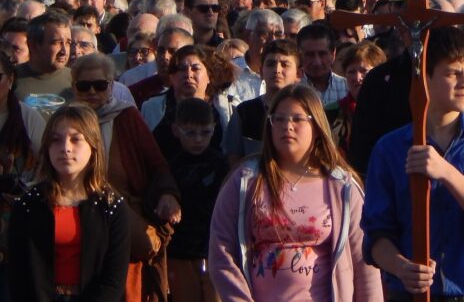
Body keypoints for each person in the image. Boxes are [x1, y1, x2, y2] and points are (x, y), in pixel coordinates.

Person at [363, 26, 464, 300]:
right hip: (412, 293)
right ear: (425, 79)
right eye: (452, 73)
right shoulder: (390, 148)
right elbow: (376, 234)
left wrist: (446, 172)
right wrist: (402, 267)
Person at [209, 85, 381, 301]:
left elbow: (364, 262)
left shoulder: (342, 186)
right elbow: (221, 251)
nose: (287, 126)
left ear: (317, 126)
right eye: (278, 119)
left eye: (297, 119)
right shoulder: (245, 180)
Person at [68, 53, 181, 302]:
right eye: (84, 85)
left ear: (111, 86)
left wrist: (167, 195)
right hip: (78, 225)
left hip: (122, 221)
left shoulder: (127, 117)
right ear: (74, 87)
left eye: (100, 85)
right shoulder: (65, 122)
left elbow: (156, 163)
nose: (92, 92)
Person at [9, 104, 130, 302]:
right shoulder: (27, 205)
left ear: (93, 146)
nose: (65, 148)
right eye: (56, 140)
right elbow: (19, 278)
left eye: (76, 139)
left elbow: (113, 282)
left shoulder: (112, 207)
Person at [165, 98, 228, 302]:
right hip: (181, 251)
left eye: (205, 132)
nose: (198, 139)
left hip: (215, 251)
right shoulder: (170, 166)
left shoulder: (221, 165)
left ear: (214, 129)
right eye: (190, 133)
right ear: (176, 130)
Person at [0, 53, 46, 301]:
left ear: (10, 79)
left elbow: (46, 167)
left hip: (17, 225)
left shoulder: (27, 117)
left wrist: (25, 186)